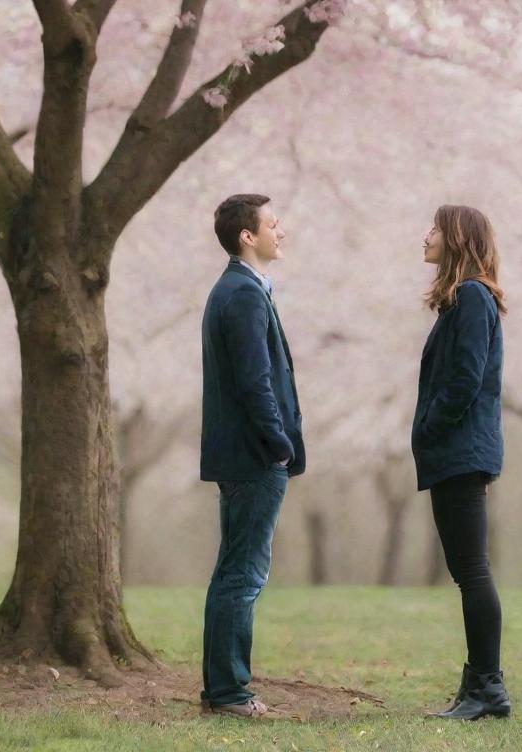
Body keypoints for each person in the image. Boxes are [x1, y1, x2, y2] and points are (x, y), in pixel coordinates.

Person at [199, 193, 305, 718]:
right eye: (273, 223)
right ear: (248, 235)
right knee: (243, 575)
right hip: (253, 457)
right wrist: (279, 445)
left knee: (236, 571)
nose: (280, 231)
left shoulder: (245, 289)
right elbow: (254, 382)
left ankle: (223, 689)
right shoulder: (241, 294)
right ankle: (230, 693)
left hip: (248, 455)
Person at [412, 204, 510, 721]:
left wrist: (430, 426)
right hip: (458, 452)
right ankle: (477, 685)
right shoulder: (464, 300)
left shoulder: (472, 297)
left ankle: (488, 689)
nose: (425, 235)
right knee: (467, 571)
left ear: (457, 237)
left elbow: (466, 378)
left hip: (460, 450)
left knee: (472, 571)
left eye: (434, 228)